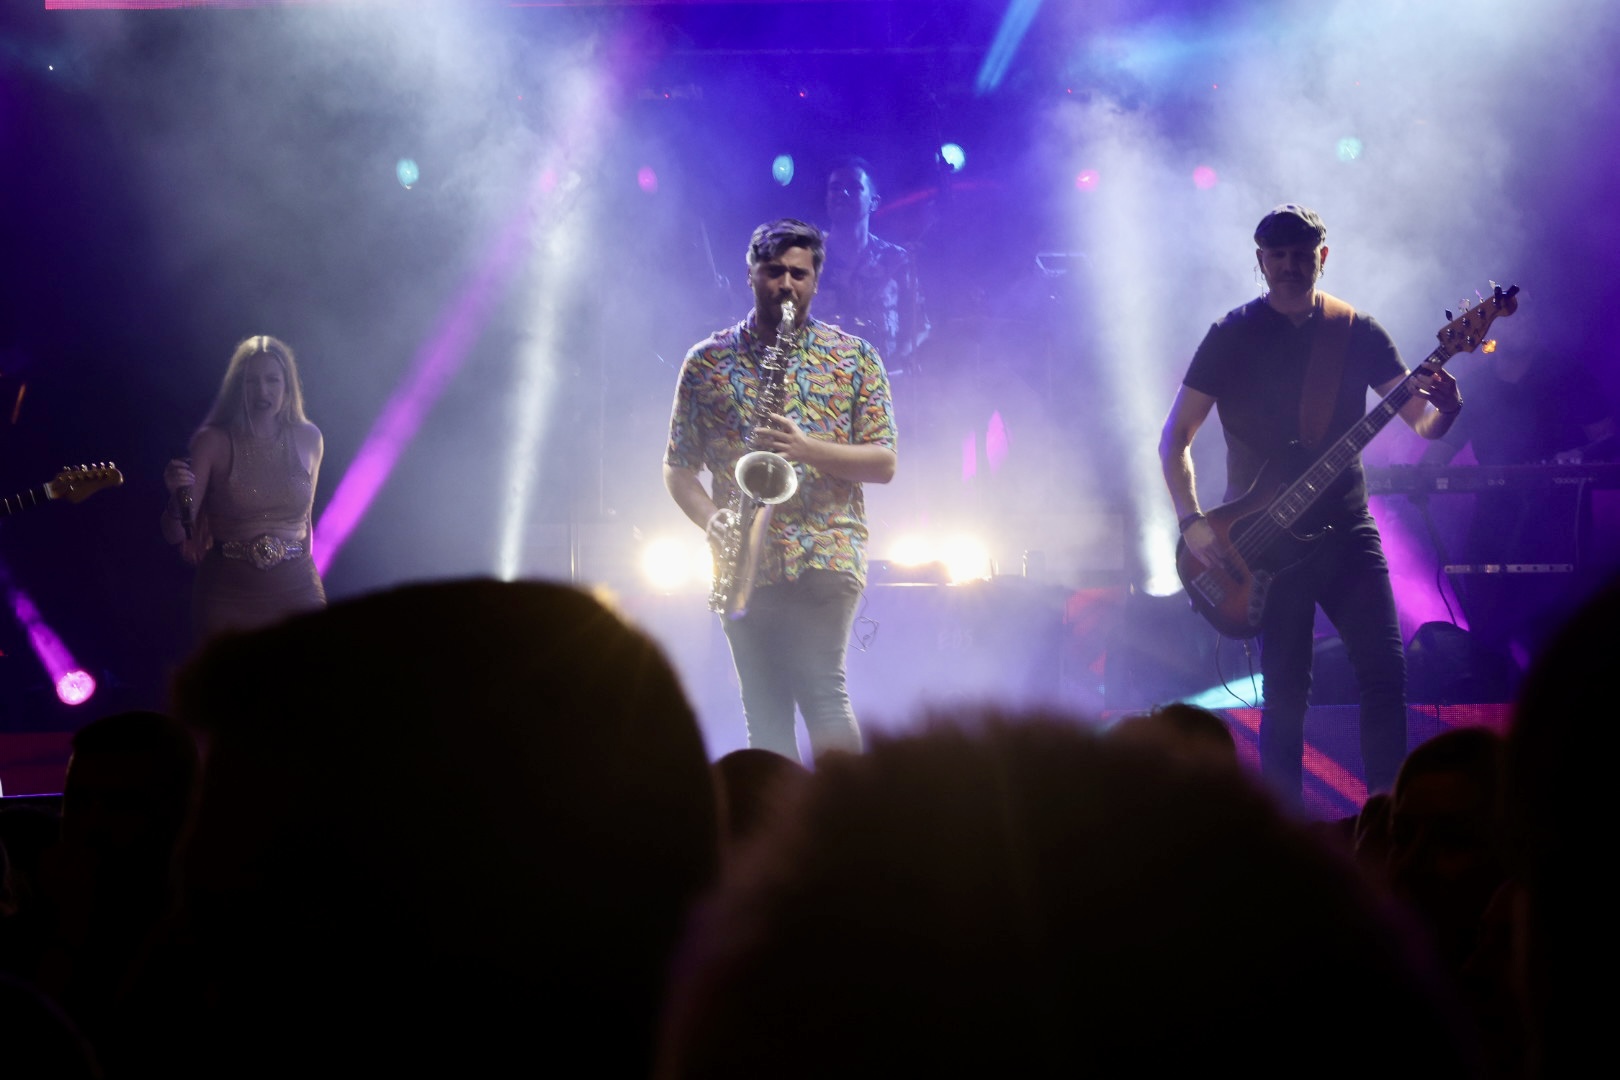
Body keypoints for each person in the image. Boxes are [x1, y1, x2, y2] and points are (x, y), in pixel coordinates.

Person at [1159, 204, 1463, 803]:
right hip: (1262, 543)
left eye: (1302, 256)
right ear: (1260, 261)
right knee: (1286, 697)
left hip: (1346, 529)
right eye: (1278, 256)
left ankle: (1385, 819)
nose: (1290, 266)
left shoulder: (1357, 331)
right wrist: (1192, 522)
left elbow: (1422, 424)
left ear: (1322, 257)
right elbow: (1176, 438)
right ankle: (1284, 830)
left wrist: (1449, 408)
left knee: (1385, 676)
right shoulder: (1230, 335)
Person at [663, 218, 897, 763]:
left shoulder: (854, 357)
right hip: (743, 558)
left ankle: (847, 811)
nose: (786, 284)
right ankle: (774, 814)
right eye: (773, 272)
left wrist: (806, 448)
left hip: (826, 550)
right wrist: (711, 519)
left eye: (798, 273)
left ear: (815, 280)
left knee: (821, 688)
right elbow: (677, 467)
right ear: (750, 274)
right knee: (764, 711)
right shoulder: (706, 361)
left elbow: (884, 463)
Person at [161, 335, 325, 644]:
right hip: (229, 593)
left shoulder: (309, 439)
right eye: (252, 381)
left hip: (296, 587)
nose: (263, 391)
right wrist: (175, 496)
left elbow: (305, 521)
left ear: (288, 386)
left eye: (272, 380)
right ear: (238, 388)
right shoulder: (212, 442)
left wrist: (307, 581)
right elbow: (175, 533)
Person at [818, 157, 930, 374]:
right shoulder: (805, 259)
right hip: (819, 383)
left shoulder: (897, 260)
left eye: (854, 187)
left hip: (883, 384)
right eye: (835, 188)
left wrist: (893, 367)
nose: (843, 193)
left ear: (874, 202)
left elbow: (919, 326)